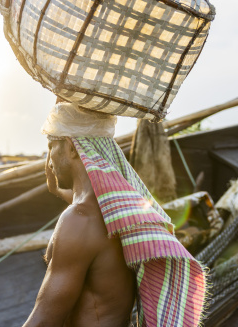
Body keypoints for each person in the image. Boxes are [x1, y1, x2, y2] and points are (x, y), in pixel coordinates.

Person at [23, 103, 206, 327]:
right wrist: (59, 191)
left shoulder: (78, 220)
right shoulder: (113, 211)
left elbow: (44, 320)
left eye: (51, 146)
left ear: (71, 148)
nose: (49, 159)